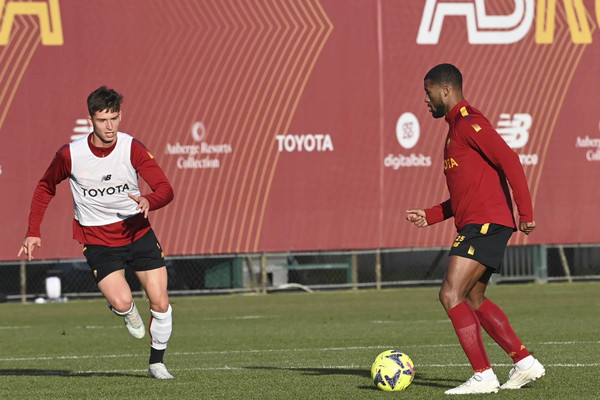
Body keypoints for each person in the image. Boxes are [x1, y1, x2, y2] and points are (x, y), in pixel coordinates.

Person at [18, 86, 176, 379]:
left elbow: (165, 189)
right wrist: (33, 231)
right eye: (103, 120)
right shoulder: (70, 154)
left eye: (114, 118)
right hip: (98, 240)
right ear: (90, 119)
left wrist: (149, 200)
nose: (110, 126)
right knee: (123, 302)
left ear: (120, 116)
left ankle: (157, 362)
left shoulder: (132, 147)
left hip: (138, 233)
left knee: (161, 303)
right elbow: (45, 187)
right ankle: (125, 311)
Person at [406, 64, 545, 395]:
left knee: (450, 294)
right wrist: (431, 215)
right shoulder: (454, 129)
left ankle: (483, 375)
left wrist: (526, 212)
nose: (425, 99)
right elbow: (465, 194)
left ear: (445, 90)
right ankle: (524, 362)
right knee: (473, 297)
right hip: (483, 222)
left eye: (428, 92)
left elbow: (510, 160)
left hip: (485, 224)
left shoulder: (469, 123)